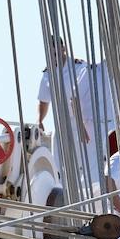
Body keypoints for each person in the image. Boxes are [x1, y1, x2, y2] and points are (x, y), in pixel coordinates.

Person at [37, 37, 88, 170]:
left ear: (63, 48)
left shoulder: (80, 67)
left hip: (84, 123)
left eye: (55, 52)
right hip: (61, 125)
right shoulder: (48, 74)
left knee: (84, 165)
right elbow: (43, 100)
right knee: (59, 167)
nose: (54, 57)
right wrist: (40, 120)